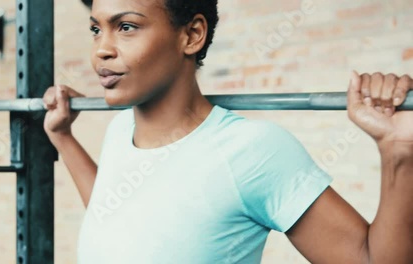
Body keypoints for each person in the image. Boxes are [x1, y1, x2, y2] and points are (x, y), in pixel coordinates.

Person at [42, 0, 413, 263]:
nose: (101, 50)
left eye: (126, 27)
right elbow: (119, 215)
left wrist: (398, 150)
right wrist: (64, 138)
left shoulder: (253, 151)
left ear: (192, 35)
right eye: (96, 29)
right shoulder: (121, 128)